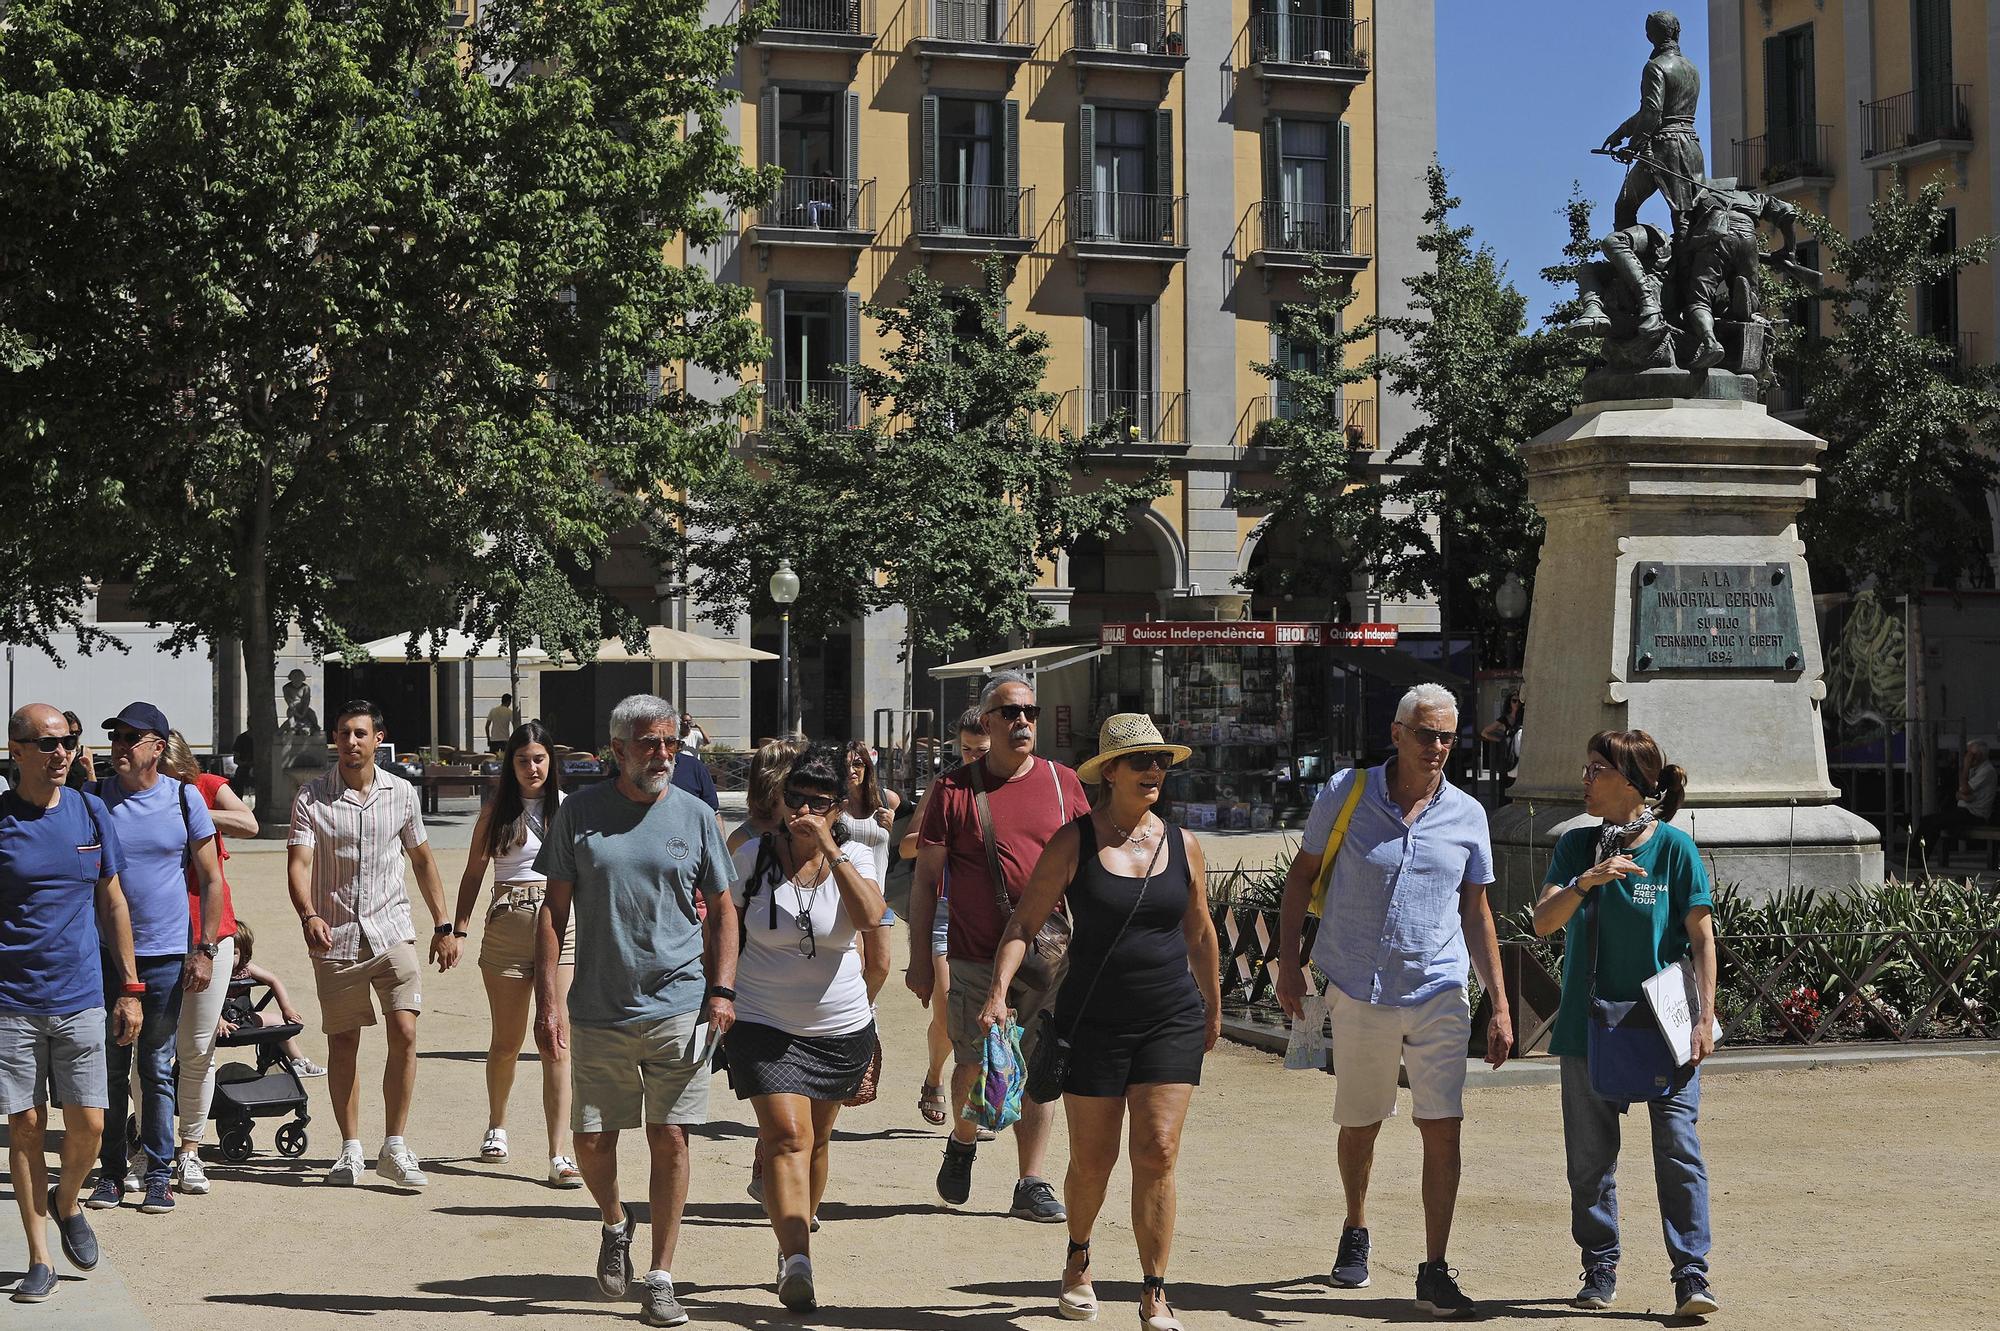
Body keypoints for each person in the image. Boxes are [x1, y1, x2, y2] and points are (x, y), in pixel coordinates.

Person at [1273, 682, 1513, 1317]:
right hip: (1359, 984)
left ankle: (1434, 1266)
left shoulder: (1467, 813)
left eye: (1447, 738)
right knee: (1361, 1118)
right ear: (1398, 734)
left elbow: (1476, 907)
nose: (1438, 748)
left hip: (1439, 988)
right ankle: (1356, 1225)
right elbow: (1301, 878)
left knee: (1444, 1125)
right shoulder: (1346, 793)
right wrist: (1289, 965)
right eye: (1427, 734)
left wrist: (1501, 1002)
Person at [979, 714, 1221, 1331]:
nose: (1153, 772)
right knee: (1094, 1159)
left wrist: (1213, 1008)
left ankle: (1154, 1292)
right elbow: (1024, 924)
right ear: (1110, 771)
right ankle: (1079, 1259)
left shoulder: (1183, 844)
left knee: (1159, 1149)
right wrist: (1000, 990)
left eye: (1161, 762)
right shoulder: (1075, 841)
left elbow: (1200, 933)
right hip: (1093, 1019)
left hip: (1170, 1016)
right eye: (1140, 761)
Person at [533, 694, 740, 1329]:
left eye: (670, 743)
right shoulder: (581, 814)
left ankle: (661, 1275)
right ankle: (615, 1222)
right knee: (593, 1139)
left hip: (677, 999)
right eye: (649, 743)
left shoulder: (696, 815)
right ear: (617, 750)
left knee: (670, 1136)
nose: (662, 754)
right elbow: (553, 910)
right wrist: (548, 1001)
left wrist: (722, 990)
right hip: (597, 1003)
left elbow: (724, 908)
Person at [1531, 729, 1720, 1319]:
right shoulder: (1576, 845)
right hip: (1590, 1024)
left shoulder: (1673, 849)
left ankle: (1691, 1277)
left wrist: (1705, 1017)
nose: (1584, 780)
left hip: (1666, 1022)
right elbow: (1542, 923)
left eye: (1595, 770)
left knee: (1680, 1151)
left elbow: (1700, 937)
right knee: (1589, 1161)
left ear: (1632, 783)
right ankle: (1599, 1267)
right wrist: (1587, 882)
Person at [905, 671, 1088, 1223]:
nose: (1023, 721)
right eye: (1010, 712)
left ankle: (1029, 1181)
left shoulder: (1063, 783)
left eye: (1030, 712)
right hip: (973, 955)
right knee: (971, 1064)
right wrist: (918, 956)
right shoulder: (955, 790)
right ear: (986, 722)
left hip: (1049, 956)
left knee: (1040, 1064)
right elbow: (925, 879)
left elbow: (1088, 866)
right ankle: (963, 1140)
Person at [724, 743, 887, 1312]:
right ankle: (797, 1259)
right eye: (798, 800)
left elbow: (870, 921)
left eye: (821, 803)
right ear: (782, 798)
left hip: (840, 1025)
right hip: (764, 1020)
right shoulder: (752, 856)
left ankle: (798, 1227)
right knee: (786, 1137)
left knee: (818, 1140)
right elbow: (722, 928)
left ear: (839, 808)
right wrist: (717, 994)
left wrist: (830, 851)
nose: (807, 812)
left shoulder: (858, 859)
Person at [2, 703, 145, 1303]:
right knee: (28, 1127)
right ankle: (39, 1256)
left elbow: (113, 900)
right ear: (17, 751)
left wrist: (131, 987)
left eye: (67, 742)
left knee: (89, 1124)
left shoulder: (90, 811)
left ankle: (67, 1202)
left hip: (83, 994)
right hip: (11, 1000)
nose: (61, 753)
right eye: (46, 743)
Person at [287, 699, 459, 1189]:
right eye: (343, 733)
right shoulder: (312, 797)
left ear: (378, 739)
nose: (350, 742)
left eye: (360, 733)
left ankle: (396, 1145)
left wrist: (443, 924)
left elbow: (422, 861)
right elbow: (299, 863)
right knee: (344, 1042)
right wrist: (309, 914)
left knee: (405, 1031)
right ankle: (350, 1147)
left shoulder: (401, 794)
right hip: (335, 935)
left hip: (392, 931)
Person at [84, 703, 225, 1216]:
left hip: (167, 952)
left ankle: (161, 1174)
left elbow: (211, 880)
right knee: (110, 1066)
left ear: (158, 748)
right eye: (116, 737)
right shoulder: (94, 798)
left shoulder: (184, 798)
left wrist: (204, 949)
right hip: (104, 955)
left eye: (131, 737)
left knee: (157, 1065)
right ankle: (113, 1173)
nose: (119, 745)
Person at [450, 720, 580, 1187]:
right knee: (507, 1040)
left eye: (539, 759)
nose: (532, 768)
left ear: (551, 761)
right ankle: (497, 1125)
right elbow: (472, 873)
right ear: (511, 764)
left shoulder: (568, 810)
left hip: (560, 927)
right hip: (507, 919)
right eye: (523, 760)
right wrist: (457, 929)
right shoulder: (495, 812)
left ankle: (558, 1152)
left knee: (556, 1038)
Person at [161, 730, 259, 1195]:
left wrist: (191, 805)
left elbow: (250, 823)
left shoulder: (204, 785)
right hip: (156, 936)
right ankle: (151, 1146)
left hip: (207, 932)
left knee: (197, 1051)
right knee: (151, 1053)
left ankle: (190, 1149)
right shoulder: (132, 794)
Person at [900, 707, 989, 1128]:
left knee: (986, 1019)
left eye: (981, 749)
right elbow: (906, 848)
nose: (972, 757)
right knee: (948, 1013)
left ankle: (970, 1105)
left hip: (996, 918)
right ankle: (937, 1076)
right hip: (945, 913)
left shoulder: (1016, 788)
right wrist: (946, 836)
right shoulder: (944, 787)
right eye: (966, 749)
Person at [1601, 10, 1704, 234]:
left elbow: (1653, 111)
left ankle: (1630, 261)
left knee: (1625, 206)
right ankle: (1684, 263)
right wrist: (1621, 132)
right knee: (1685, 213)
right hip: (1691, 146)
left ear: (1649, 36)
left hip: (1663, 148)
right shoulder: (1692, 68)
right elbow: (1659, 111)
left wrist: (1634, 146)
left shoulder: (1655, 67)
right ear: (1677, 32)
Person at [215, 921, 324, 1075]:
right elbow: (201, 1002)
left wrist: (286, 1008)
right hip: (213, 1020)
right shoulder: (211, 972)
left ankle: (298, 1062)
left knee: (278, 1022)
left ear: (244, 953)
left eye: (233, 953)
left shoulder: (245, 969)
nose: (226, 958)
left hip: (242, 1017)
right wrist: (218, 1021)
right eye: (221, 952)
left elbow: (273, 980)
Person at [1918, 740, 1998, 871]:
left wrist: (1965, 767)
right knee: (1929, 820)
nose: (1967, 757)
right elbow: (1961, 792)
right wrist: (1963, 794)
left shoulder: (1986, 770)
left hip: (1974, 814)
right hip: (1965, 810)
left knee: (1933, 822)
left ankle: (1918, 858)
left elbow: (1964, 790)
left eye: (1970, 754)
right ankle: (1916, 856)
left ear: (1979, 755)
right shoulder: (1976, 769)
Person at [62, 710, 96, 789]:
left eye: (77, 733)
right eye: (70, 733)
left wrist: (89, 769)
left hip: (79, 796)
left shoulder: (85, 751)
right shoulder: (58, 752)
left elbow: (92, 781)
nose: (74, 736)